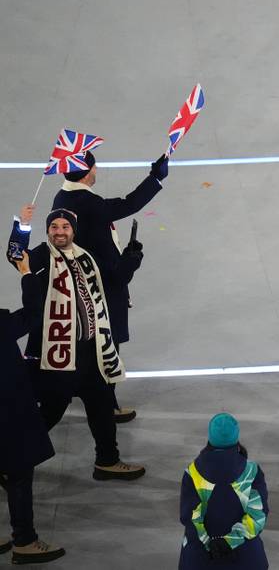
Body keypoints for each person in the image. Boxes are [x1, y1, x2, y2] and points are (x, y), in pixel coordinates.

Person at [13, 208, 144, 480]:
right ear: (48, 231)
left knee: (101, 405)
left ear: (73, 231)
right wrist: (22, 226)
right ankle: (10, 459)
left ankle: (107, 460)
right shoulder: (43, 256)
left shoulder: (85, 258)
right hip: (57, 357)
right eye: (54, 227)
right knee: (49, 413)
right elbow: (17, 258)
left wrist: (130, 258)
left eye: (65, 227)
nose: (59, 232)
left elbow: (113, 280)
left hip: (89, 353)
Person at [49, 150, 167, 423]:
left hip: (81, 284)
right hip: (101, 288)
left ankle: (104, 399)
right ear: (88, 171)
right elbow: (129, 204)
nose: (96, 169)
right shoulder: (88, 202)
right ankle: (104, 404)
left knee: (97, 346)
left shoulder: (63, 197)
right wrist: (156, 177)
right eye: (93, 165)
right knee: (107, 347)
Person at [0, 306, 65, 565]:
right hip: (7, 415)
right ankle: (25, 541)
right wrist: (28, 275)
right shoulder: (3, 325)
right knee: (19, 475)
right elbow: (33, 314)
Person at [178, 413, 269, 570]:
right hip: (245, 559)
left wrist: (212, 544)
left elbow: (191, 517)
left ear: (210, 437)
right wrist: (228, 542)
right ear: (236, 438)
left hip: (200, 560)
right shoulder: (251, 471)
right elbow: (257, 516)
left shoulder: (192, 472)